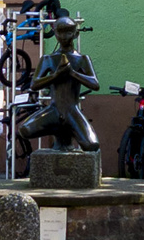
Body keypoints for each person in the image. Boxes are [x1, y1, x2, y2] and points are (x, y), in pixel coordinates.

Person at [18, 16, 100, 150]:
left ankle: (67, 129)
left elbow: (95, 84)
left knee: (91, 145)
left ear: (75, 34)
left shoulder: (82, 59)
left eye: (68, 32)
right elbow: (34, 84)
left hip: (72, 111)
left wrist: (72, 73)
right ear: (55, 33)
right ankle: (58, 128)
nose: (63, 36)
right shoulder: (48, 59)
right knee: (25, 130)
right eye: (59, 32)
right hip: (54, 109)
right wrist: (55, 75)